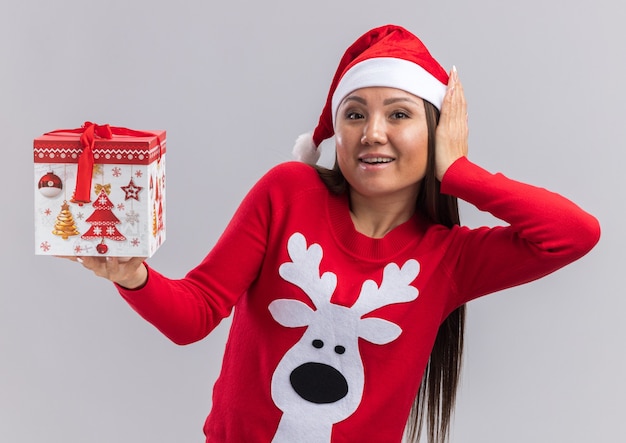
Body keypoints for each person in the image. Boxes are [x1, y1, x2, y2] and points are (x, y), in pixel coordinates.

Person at [69, 25, 600, 443]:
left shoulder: (449, 259)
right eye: (354, 114)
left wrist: (457, 171)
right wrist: (134, 276)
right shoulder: (288, 192)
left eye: (399, 114)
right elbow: (196, 313)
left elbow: (573, 233)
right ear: (337, 132)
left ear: (435, 132)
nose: (372, 132)